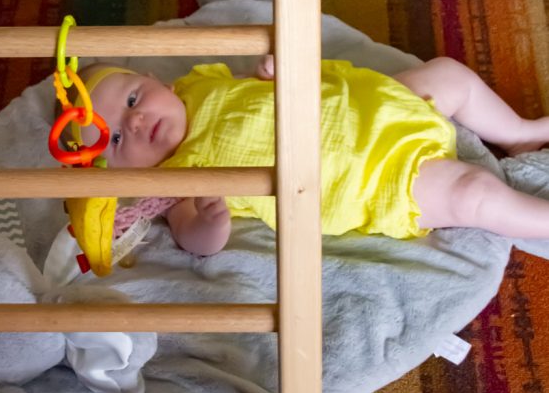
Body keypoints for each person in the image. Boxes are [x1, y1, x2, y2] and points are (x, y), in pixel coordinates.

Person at [69, 57, 549, 258]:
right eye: (113, 140)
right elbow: (196, 241)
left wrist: (271, 71)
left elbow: (258, 88)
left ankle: (520, 135)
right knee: (474, 194)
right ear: (124, 173)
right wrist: (211, 222)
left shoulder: (200, 82)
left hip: (377, 106)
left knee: (446, 74)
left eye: (133, 100)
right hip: (375, 177)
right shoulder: (178, 180)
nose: (132, 123)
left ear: (155, 79)